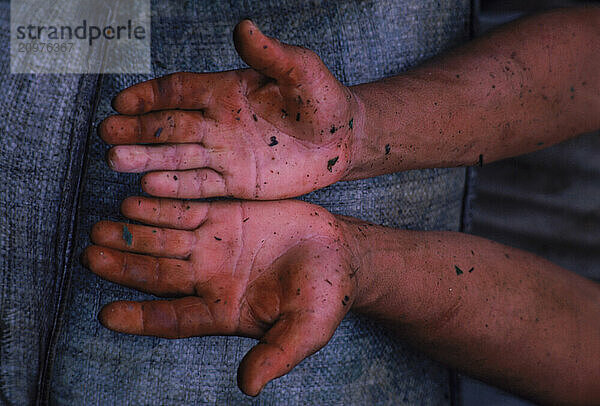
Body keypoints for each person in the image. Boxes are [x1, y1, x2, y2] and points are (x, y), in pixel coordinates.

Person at [83, 7, 600, 405]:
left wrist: (360, 265)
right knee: (51, 27)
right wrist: (362, 129)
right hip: (411, 78)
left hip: (429, 310)